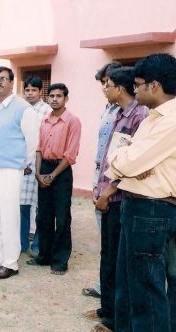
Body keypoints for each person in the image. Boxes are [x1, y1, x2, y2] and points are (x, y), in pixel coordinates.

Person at [105, 53, 176, 332]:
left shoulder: (170, 121)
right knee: (129, 285)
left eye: (138, 84)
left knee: (147, 291)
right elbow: (124, 158)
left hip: (153, 210)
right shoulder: (151, 119)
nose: (135, 90)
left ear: (155, 86)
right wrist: (126, 159)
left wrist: (125, 159)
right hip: (138, 207)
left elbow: (126, 160)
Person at [84, 67, 149, 332]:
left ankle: (114, 319)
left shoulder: (139, 117)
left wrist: (108, 193)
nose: (104, 88)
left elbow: (130, 163)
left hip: (120, 198)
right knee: (107, 255)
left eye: (107, 84)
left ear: (120, 88)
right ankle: (106, 308)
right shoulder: (117, 114)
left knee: (118, 259)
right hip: (107, 194)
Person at [0, 66, 39, 279]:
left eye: (3, 79)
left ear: (12, 83)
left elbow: (32, 141)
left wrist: (23, 164)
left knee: (8, 214)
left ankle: (10, 263)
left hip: (11, 169)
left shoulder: (23, 108)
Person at [27, 83, 81, 275]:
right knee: (44, 217)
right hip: (45, 169)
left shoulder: (73, 121)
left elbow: (70, 154)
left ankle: (60, 260)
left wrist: (52, 175)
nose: (54, 99)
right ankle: (44, 256)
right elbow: (39, 149)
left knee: (62, 217)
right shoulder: (45, 121)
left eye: (59, 96)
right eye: (51, 96)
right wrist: (39, 173)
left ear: (66, 98)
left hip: (62, 171)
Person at [82, 61, 122, 300]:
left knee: (114, 241)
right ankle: (104, 285)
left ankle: (112, 291)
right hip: (100, 174)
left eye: (108, 83)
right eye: (103, 83)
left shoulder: (131, 111)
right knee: (105, 239)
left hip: (116, 182)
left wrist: (107, 188)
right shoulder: (108, 108)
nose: (104, 87)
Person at [21, 76, 52, 254]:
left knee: (41, 205)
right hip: (23, 164)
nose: (30, 93)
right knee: (22, 205)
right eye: (27, 90)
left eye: (34, 90)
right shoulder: (21, 109)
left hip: (41, 162)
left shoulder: (47, 111)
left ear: (41, 92)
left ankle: (38, 244)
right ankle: (21, 242)